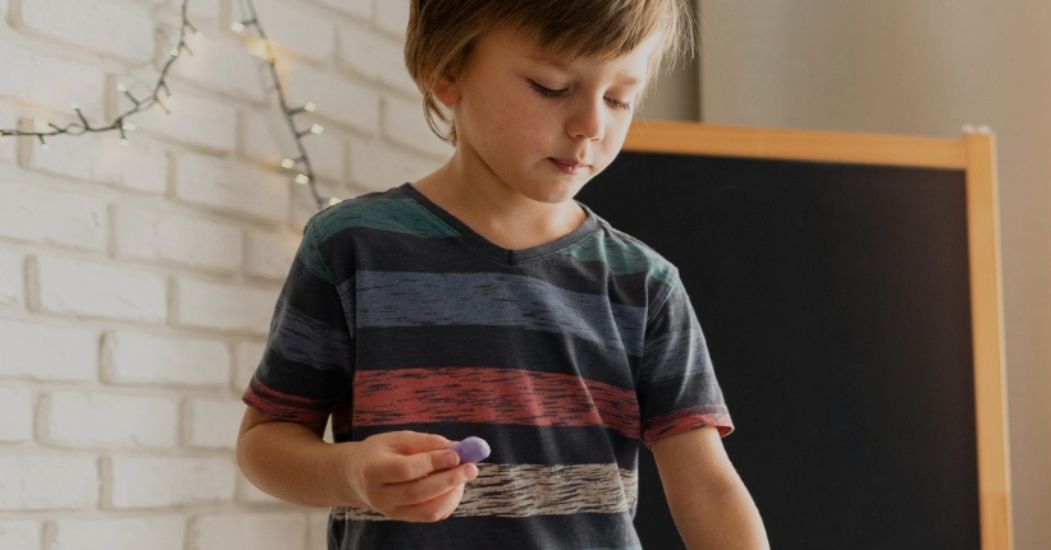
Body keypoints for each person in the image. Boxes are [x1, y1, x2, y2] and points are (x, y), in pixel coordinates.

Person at [233, 1, 770, 548]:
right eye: (551, 86)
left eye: (619, 99)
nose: (591, 125)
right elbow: (265, 442)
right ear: (448, 71)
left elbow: (707, 488)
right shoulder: (350, 248)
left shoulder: (644, 284)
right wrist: (351, 474)